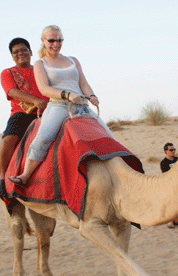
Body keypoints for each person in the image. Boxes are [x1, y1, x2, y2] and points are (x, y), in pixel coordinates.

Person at [8, 25, 112, 187]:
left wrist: (92, 96)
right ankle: (25, 175)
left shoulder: (72, 60)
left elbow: (83, 83)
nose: (55, 44)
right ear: (43, 41)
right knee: (43, 137)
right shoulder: (40, 64)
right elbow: (44, 89)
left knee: (107, 134)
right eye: (51, 40)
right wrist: (67, 95)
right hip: (59, 105)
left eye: (59, 40)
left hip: (81, 105)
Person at [0, 37, 50, 197]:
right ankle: (1, 179)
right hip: (22, 114)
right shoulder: (8, 73)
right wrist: (34, 100)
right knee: (8, 140)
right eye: (16, 52)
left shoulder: (42, 70)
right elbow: (11, 91)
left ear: (31, 52)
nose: (20, 53)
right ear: (12, 56)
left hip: (47, 113)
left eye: (23, 49)